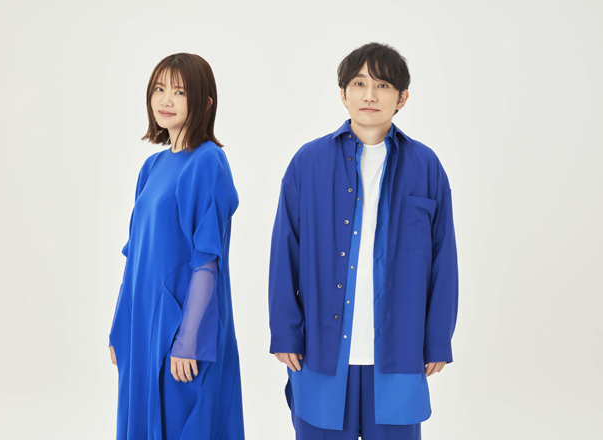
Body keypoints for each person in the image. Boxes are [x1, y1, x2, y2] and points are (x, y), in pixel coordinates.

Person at [268, 42, 459, 440]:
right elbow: (285, 250)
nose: (369, 95)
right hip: (319, 352)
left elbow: (444, 259)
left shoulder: (425, 166)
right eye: (359, 83)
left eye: (383, 85)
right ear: (343, 94)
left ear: (402, 98)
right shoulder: (308, 162)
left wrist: (438, 338)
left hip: (400, 351)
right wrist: (285, 331)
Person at [108, 53, 245, 440]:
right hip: (141, 320)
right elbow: (135, 256)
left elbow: (207, 261)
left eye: (180, 92)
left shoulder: (208, 161)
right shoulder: (150, 167)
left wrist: (188, 339)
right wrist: (120, 326)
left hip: (181, 322)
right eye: (159, 89)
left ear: (205, 102)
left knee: (183, 422)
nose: (165, 100)